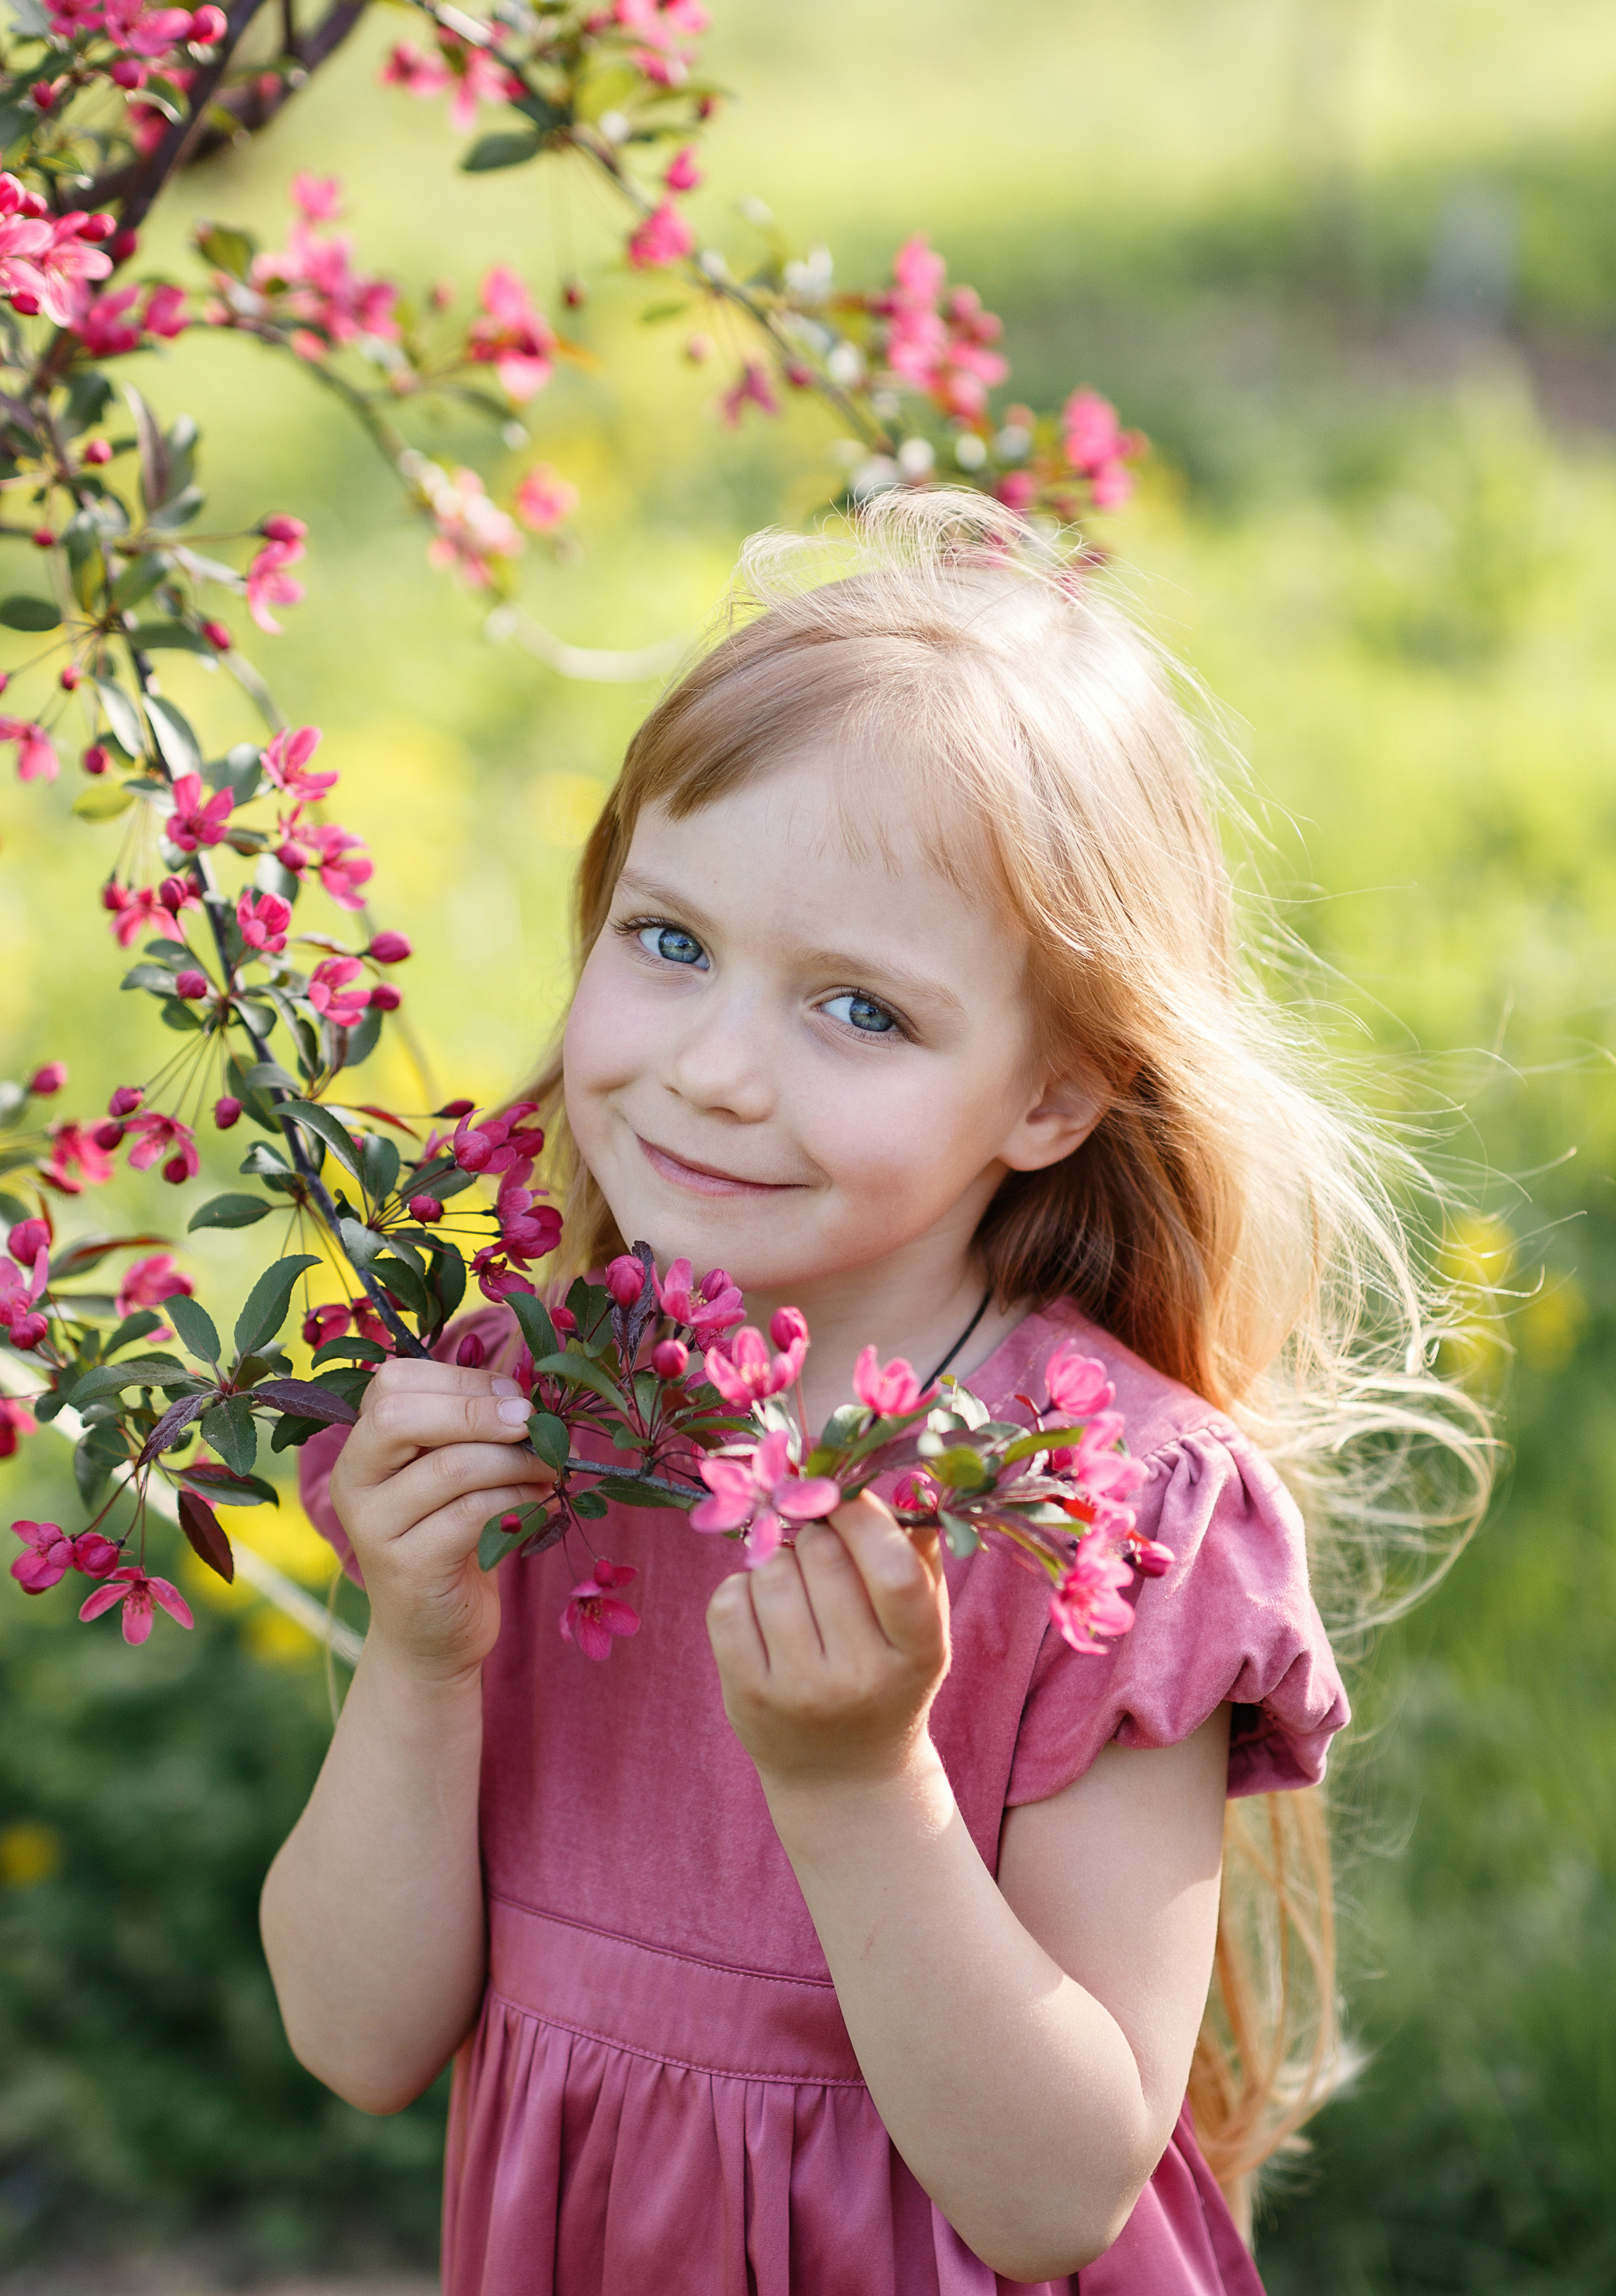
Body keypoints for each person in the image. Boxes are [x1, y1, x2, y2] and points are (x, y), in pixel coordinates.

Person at [262, 490, 1490, 2295]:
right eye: (671, 943)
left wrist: (856, 1785)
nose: (718, 1073)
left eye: (861, 1012)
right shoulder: (525, 1424)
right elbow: (356, 2038)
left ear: (1055, 1096)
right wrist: (424, 1651)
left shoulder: (1108, 1511)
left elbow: (1057, 2193)